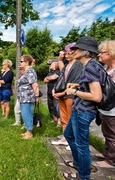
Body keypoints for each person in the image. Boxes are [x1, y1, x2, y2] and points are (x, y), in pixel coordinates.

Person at [63, 36, 105, 180]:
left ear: (86, 51)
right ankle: (78, 163)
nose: (73, 51)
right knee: (68, 135)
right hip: (79, 109)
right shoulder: (89, 65)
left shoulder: (91, 67)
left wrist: (73, 92)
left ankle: (83, 175)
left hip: (84, 112)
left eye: (76, 48)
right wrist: (77, 85)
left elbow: (96, 96)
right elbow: (90, 85)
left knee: (82, 145)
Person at [52, 43, 83, 149]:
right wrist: (55, 89)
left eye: (70, 53)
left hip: (71, 95)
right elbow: (61, 78)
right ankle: (65, 138)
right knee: (64, 117)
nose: (67, 55)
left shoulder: (78, 64)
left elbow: (75, 81)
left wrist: (63, 92)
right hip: (62, 95)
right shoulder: (66, 65)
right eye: (66, 53)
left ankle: (73, 140)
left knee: (72, 118)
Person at [93, 40, 115, 168]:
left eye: (102, 53)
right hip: (105, 108)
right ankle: (107, 153)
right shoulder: (106, 69)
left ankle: (111, 161)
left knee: (112, 135)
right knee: (107, 132)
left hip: (112, 109)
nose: (99, 55)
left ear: (112, 53)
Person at [17, 55, 40, 139]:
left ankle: (29, 133)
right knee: (25, 113)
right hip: (24, 97)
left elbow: (34, 85)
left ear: (26, 62)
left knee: (27, 114)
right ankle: (27, 131)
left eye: (21, 61)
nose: (20, 63)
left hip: (27, 97)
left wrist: (37, 97)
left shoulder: (30, 71)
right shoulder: (27, 71)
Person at [43, 60, 60, 125]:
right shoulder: (51, 72)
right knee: (50, 106)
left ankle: (59, 122)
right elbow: (44, 80)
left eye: (51, 64)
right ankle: (54, 118)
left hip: (55, 92)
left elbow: (54, 77)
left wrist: (48, 78)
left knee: (56, 106)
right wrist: (49, 78)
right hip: (49, 92)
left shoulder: (58, 71)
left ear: (56, 64)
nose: (50, 65)